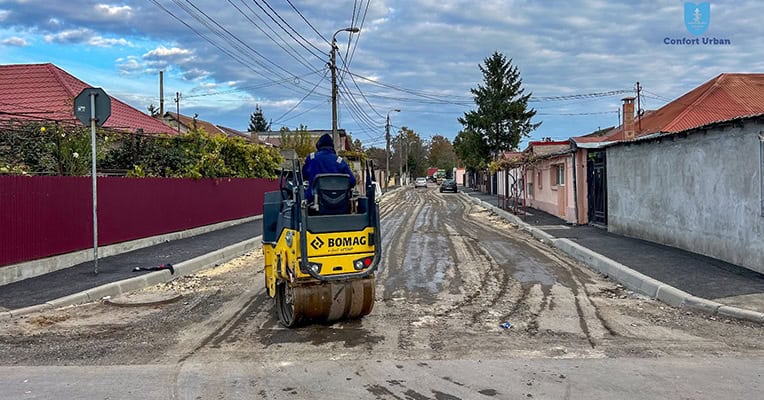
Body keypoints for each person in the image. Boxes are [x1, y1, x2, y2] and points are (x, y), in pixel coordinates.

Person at [302, 133, 356, 202]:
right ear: (332, 146)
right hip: (339, 201)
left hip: (314, 200)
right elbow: (352, 181)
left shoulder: (312, 158)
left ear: (318, 145)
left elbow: (303, 175)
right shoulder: (339, 161)